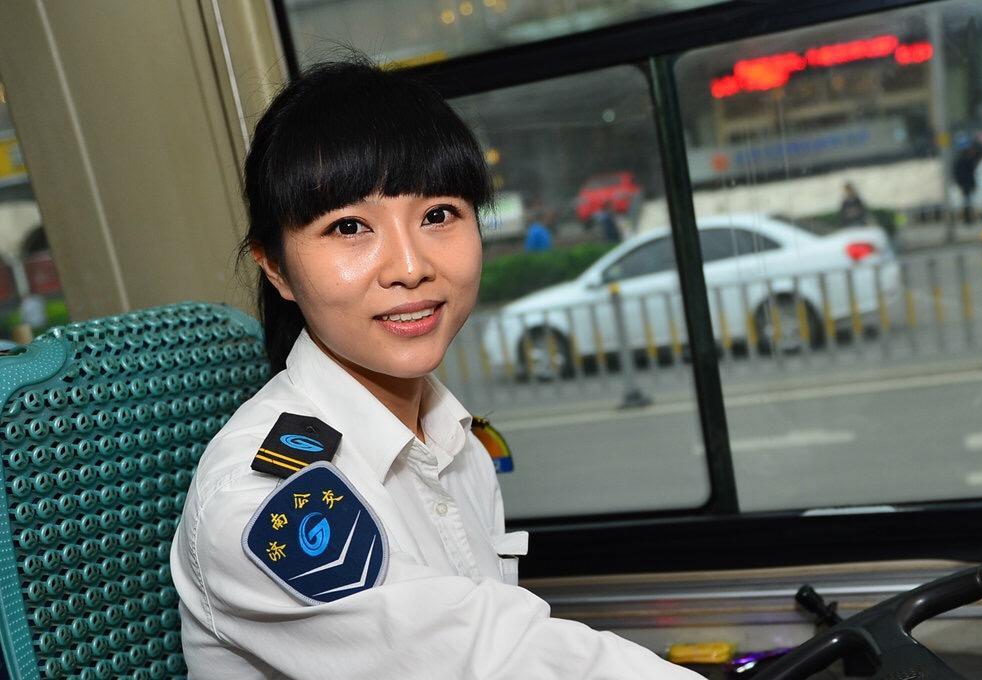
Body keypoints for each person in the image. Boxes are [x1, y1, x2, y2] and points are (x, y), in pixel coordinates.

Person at [170, 59, 702, 679]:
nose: (410, 266)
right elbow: (489, 660)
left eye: (438, 215)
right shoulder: (258, 499)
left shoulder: (452, 437)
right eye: (349, 226)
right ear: (277, 269)